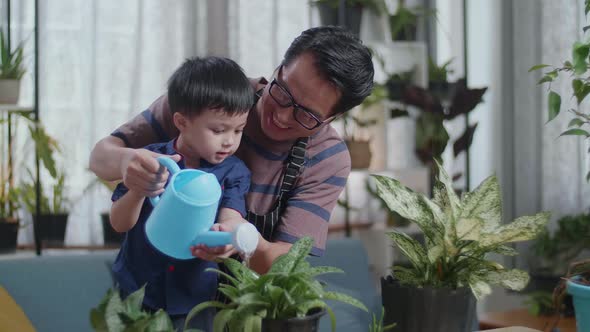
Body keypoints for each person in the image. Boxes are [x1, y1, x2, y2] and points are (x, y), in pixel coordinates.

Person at [90, 26, 375, 274]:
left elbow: (289, 264)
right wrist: (130, 162)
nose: (283, 116)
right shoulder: (212, 96)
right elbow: (101, 157)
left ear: (330, 119)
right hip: (155, 280)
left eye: (306, 114)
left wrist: (242, 238)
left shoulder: (326, 158)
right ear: (279, 69)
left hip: (243, 302)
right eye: (284, 92)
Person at [108, 56, 254, 330]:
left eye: (239, 130)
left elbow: (233, 217)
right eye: (218, 129)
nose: (230, 141)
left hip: (194, 298)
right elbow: (118, 223)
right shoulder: (149, 160)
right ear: (182, 122)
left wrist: (230, 235)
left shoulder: (234, 172)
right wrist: (139, 191)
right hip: (136, 291)